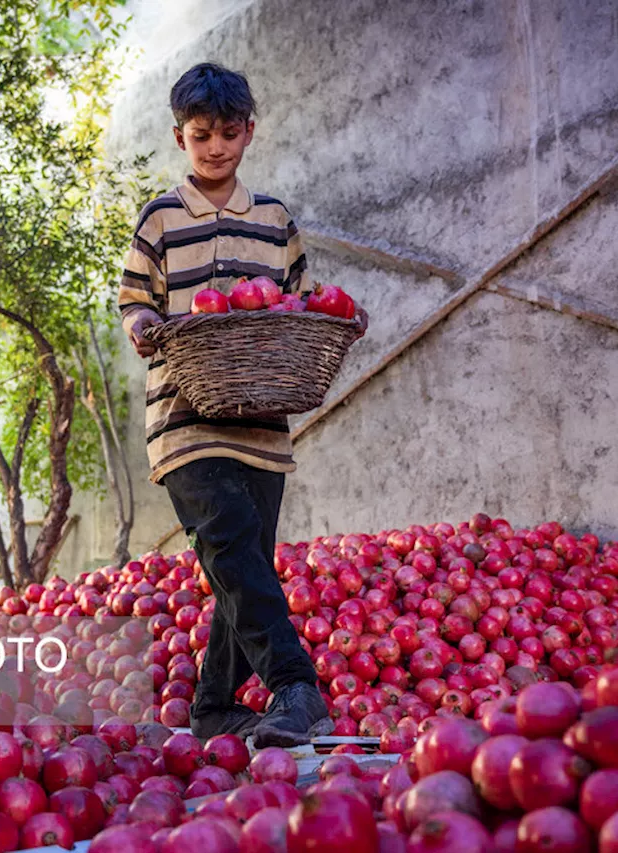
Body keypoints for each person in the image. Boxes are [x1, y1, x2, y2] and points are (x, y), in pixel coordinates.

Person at [116, 62, 366, 747]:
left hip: (260, 422)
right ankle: (295, 684)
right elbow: (136, 299)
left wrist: (340, 316)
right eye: (202, 135)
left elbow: (300, 302)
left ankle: (216, 706)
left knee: (242, 560)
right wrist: (143, 326)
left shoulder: (274, 220)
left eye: (229, 133)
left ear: (249, 132)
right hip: (183, 417)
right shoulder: (161, 217)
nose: (216, 147)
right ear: (180, 137)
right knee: (227, 538)